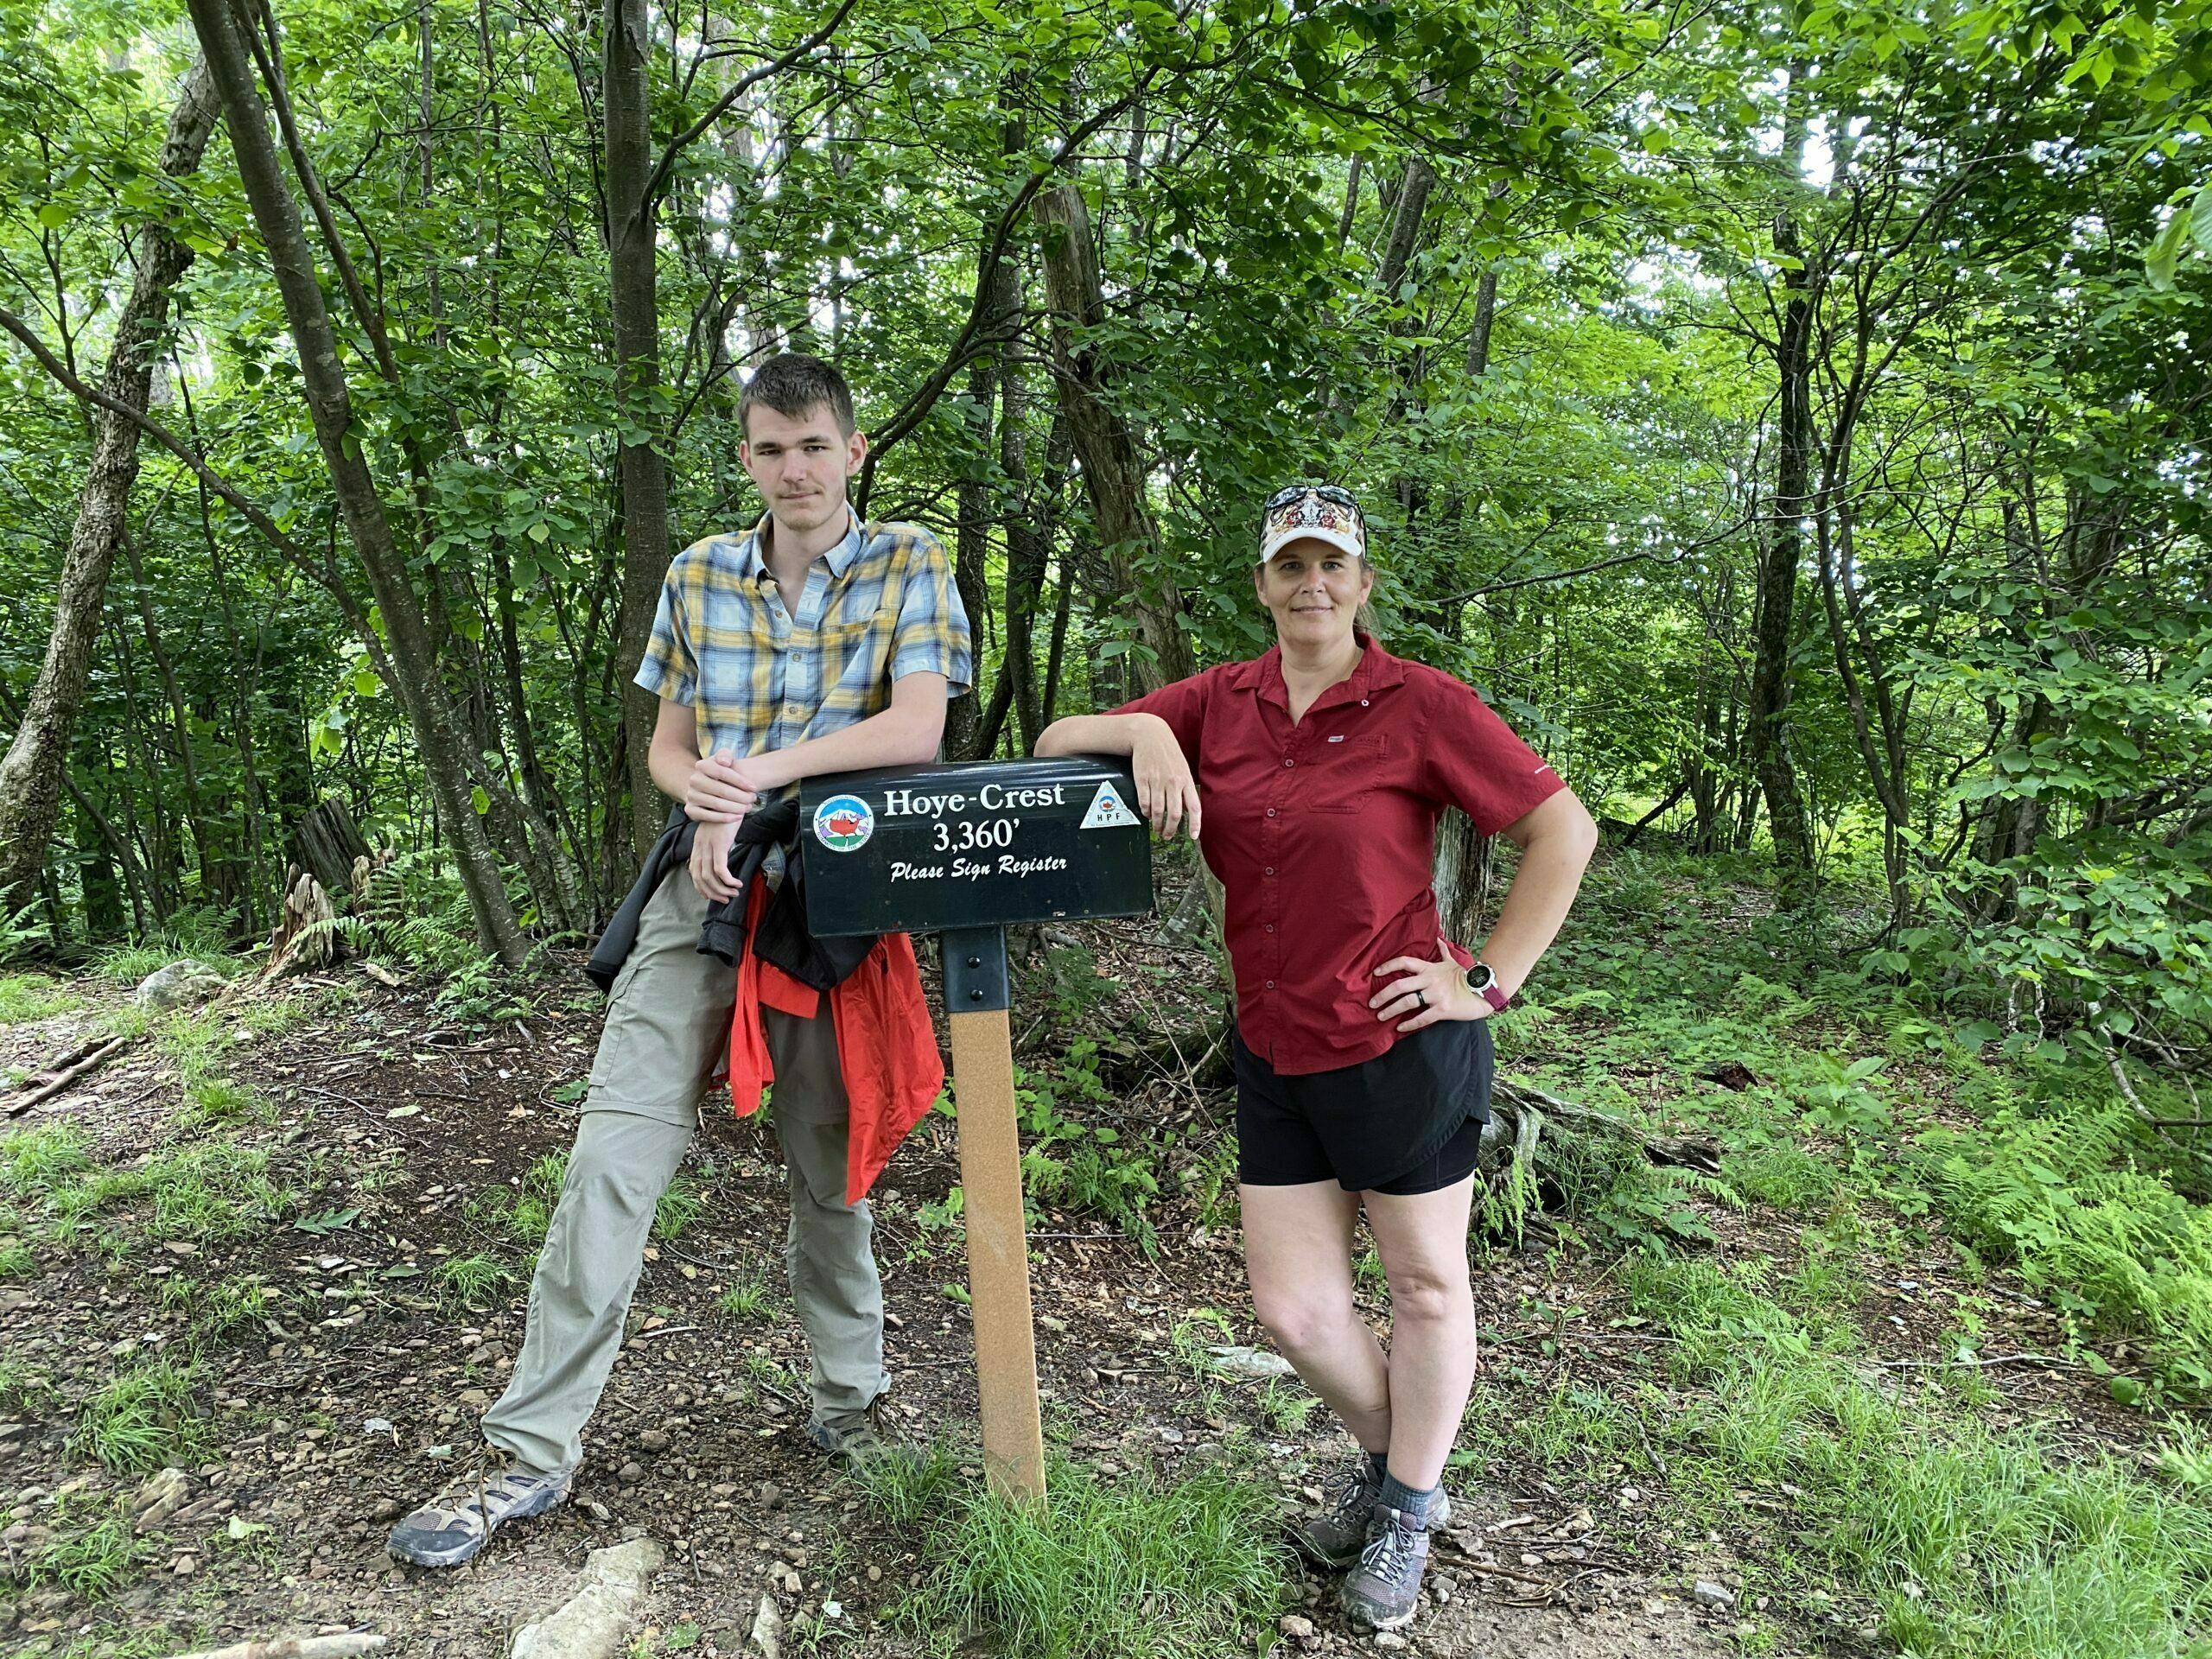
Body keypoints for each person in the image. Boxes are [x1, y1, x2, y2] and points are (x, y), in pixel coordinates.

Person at [388, 353, 972, 1568]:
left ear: (854, 451)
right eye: (770, 448)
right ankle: (530, 1452)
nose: (794, 469)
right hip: (700, 901)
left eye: (815, 445)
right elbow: (667, 745)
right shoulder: (700, 573)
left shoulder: (910, 558)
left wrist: (755, 775)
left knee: (831, 1165)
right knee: (614, 1156)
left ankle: (850, 1412)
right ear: (745, 457)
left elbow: (917, 728)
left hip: (840, 907)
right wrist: (700, 787)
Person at [1034, 485, 1596, 1630]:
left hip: (1400, 1045)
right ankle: (1401, 1478)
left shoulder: (1420, 704)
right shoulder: (1221, 701)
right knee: (1296, 1312)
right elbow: (1054, 744)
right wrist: (1145, 729)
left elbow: (1562, 829)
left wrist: (1485, 981)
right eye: (1290, 566)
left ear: (1362, 584)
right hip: (1275, 1041)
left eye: (1331, 566)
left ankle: (1403, 1508)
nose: (1312, 586)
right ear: (1262, 586)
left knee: (1427, 1289)